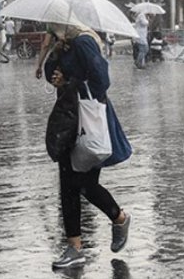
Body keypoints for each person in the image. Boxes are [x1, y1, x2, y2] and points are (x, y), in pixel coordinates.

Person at [44, 22, 130, 269]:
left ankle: (119, 217)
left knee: (84, 185)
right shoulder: (65, 44)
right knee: (68, 185)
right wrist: (54, 56)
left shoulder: (84, 42)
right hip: (68, 119)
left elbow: (101, 81)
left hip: (89, 120)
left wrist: (69, 80)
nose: (49, 31)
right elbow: (53, 74)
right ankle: (75, 247)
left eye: (52, 26)